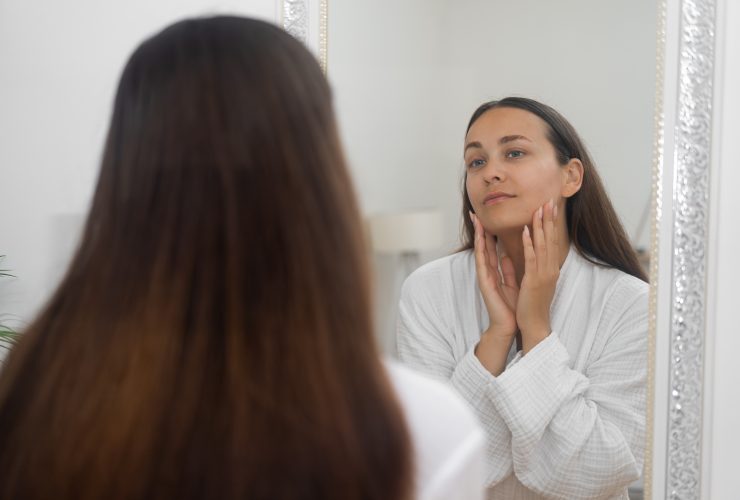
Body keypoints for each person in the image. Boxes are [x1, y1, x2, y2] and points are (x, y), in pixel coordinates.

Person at [0, 17, 485, 500]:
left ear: (126, 174)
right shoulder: (418, 429)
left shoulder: (35, 392)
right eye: (477, 161)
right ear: (321, 182)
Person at [397, 97, 648, 500]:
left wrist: (536, 330)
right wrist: (497, 335)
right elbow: (432, 463)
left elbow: (595, 473)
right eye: (476, 162)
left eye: (514, 153)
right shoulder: (427, 290)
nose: (490, 173)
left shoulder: (631, 304)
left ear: (571, 176)